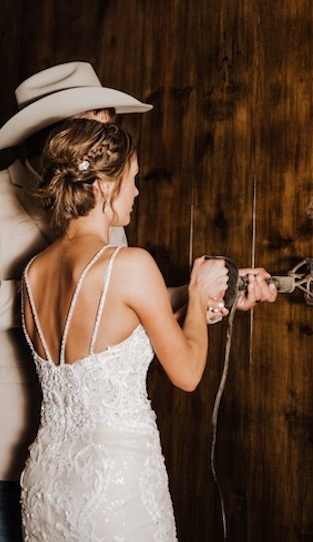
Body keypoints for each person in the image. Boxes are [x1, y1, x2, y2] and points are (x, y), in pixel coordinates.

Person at [0, 61, 277, 542]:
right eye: (100, 122)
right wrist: (67, 292)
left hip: (88, 452)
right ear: (59, 131)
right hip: (5, 438)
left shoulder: (107, 207)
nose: (109, 135)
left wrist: (211, 294)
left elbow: (119, 301)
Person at [20, 118, 227, 540]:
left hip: (46, 482)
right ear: (102, 187)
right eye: (132, 180)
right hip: (113, 486)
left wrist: (193, 306)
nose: (136, 191)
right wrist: (200, 292)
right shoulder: (129, 264)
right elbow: (187, 373)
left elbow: (121, 323)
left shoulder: (33, 271)